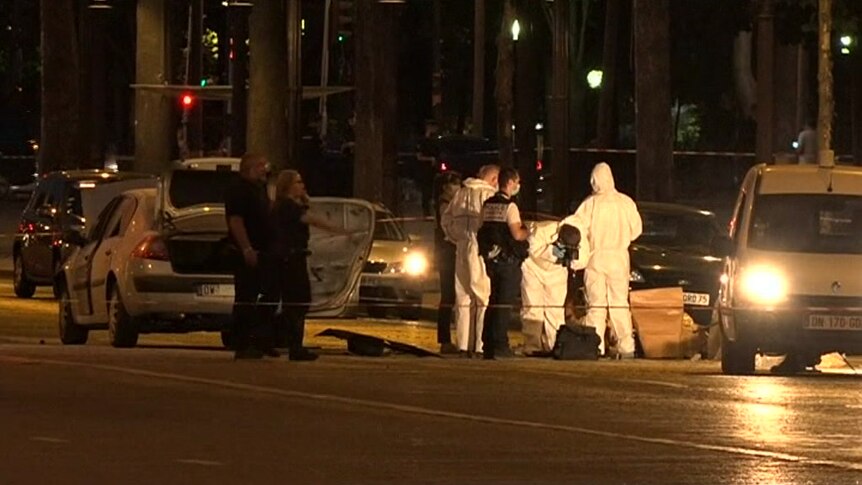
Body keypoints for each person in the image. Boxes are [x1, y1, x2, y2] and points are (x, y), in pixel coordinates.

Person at [563, 162, 642, 359]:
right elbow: (636, 230)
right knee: (619, 303)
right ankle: (626, 346)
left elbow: (575, 226)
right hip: (619, 258)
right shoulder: (626, 202)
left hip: (596, 258)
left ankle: (595, 345)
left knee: (596, 305)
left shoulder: (590, 204)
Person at [271, 169, 349, 361]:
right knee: (297, 301)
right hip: (290, 259)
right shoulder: (287, 207)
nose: (302, 186)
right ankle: (294, 346)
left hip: (294, 257)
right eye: (298, 182)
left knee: (299, 301)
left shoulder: (289, 206)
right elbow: (312, 219)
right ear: (288, 186)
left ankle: (294, 343)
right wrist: (339, 230)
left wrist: (306, 200)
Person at [441, 164, 499, 356]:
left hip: (461, 249)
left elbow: (446, 219)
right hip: (480, 250)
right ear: (493, 180)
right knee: (483, 298)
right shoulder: (489, 197)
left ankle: (463, 344)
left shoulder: (460, 195)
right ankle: (481, 346)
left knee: (463, 298)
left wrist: (455, 237)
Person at [225, 153, 278, 359]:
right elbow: (236, 221)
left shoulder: (260, 189)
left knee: (269, 294)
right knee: (246, 297)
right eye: (261, 166)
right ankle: (242, 343)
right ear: (250, 168)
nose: (265, 169)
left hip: (264, 250)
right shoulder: (238, 190)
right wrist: (246, 248)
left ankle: (262, 339)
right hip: (247, 251)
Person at [477, 167, 530, 359]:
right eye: (517, 182)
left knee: (493, 300)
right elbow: (516, 234)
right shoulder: (510, 206)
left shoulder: (488, 204)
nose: (518, 186)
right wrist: (529, 232)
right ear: (509, 183)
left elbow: (482, 228)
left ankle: (488, 344)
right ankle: (500, 345)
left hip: (492, 260)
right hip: (508, 261)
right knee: (504, 304)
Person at [520, 223, 583, 356]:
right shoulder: (542, 230)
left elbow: (582, 261)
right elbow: (532, 248)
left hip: (557, 273)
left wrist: (571, 258)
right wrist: (553, 252)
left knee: (555, 310)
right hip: (533, 268)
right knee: (532, 307)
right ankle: (532, 346)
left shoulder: (580, 238)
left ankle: (555, 345)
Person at [432, 170, 463, 354]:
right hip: (447, 254)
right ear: (445, 187)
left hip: (449, 253)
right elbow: (448, 229)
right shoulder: (445, 205)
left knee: (452, 295)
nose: (457, 188)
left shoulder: (451, 204)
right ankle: (444, 339)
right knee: (448, 295)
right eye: (455, 184)